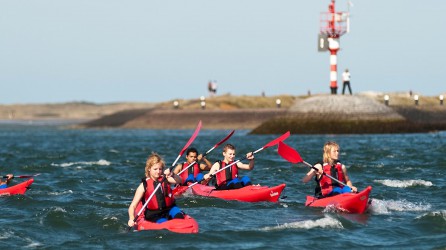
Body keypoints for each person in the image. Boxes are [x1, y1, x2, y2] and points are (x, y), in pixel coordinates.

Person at [128, 153, 185, 227]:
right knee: (164, 224)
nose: (158, 172)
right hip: (154, 214)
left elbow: (180, 180)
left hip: (170, 208)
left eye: (160, 169)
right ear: (149, 169)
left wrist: (172, 174)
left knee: (180, 217)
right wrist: (131, 219)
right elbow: (132, 206)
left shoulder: (166, 179)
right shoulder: (143, 186)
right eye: (155, 169)